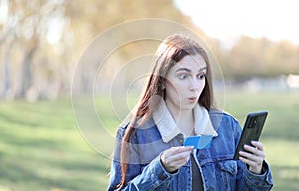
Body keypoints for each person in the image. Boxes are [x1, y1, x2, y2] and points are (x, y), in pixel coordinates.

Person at [107, 34, 273, 190]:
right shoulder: (135, 134)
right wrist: (160, 170)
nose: (194, 86)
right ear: (162, 80)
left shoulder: (227, 127)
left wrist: (256, 171)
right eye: (184, 76)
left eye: (200, 76)